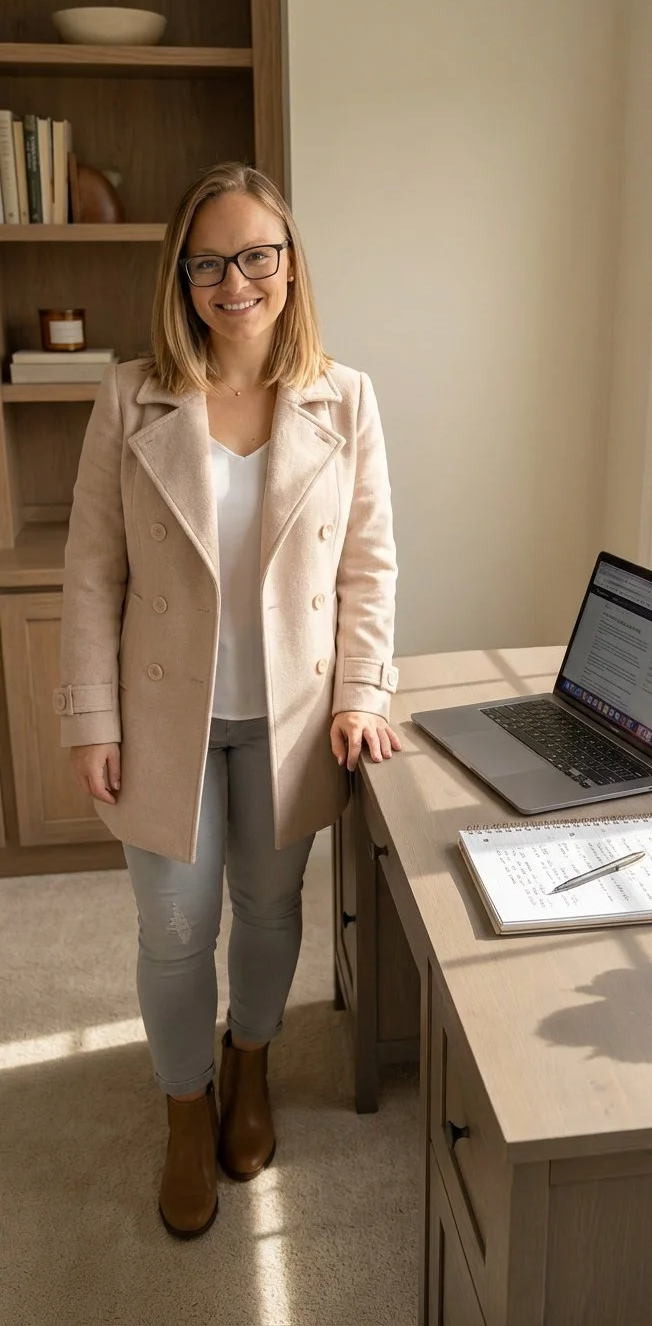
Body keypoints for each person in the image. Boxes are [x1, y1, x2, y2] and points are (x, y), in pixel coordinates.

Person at [55, 161, 401, 1240]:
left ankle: (250, 1065)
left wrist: (362, 690)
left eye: (256, 254)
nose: (234, 280)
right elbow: (91, 571)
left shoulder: (346, 397)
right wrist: (92, 718)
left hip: (293, 717)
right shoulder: (130, 393)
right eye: (209, 261)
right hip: (168, 718)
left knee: (267, 910)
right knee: (171, 928)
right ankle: (182, 1106)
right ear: (183, 276)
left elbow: (369, 566)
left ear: (290, 266)